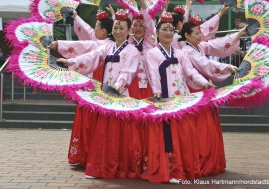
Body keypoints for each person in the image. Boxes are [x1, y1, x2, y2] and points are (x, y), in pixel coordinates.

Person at [57, 10, 142, 179]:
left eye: (122, 28)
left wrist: (118, 86)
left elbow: (129, 71)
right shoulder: (108, 46)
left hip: (120, 94)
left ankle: (120, 166)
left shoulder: (133, 50)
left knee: (119, 131)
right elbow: (92, 56)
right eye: (116, 27)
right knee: (103, 130)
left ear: (128, 30)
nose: (118, 31)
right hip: (105, 94)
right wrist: (71, 62)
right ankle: (100, 165)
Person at [141, 12, 225, 183]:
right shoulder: (152, 54)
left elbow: (190, 72)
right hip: (164, 100)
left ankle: (184, 168)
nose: (168, 32)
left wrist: (204, 83)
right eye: (164, 29)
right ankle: (169, 170)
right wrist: (157, 92)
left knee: (183, 135)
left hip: (182, 99)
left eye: (171, 29)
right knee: (167, 135)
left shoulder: (180, 54)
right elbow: (152, 74)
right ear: (157, 32)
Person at [180, 15, 248, 86]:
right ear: (187, 35)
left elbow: (217, 44)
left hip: (204, 83)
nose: (200, 35)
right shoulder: (187, 51)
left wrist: (239, 34)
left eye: (200, 32)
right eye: (197, 33)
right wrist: (226, 67)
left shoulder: (200, 45)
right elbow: (205, 63)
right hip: (195, 85)